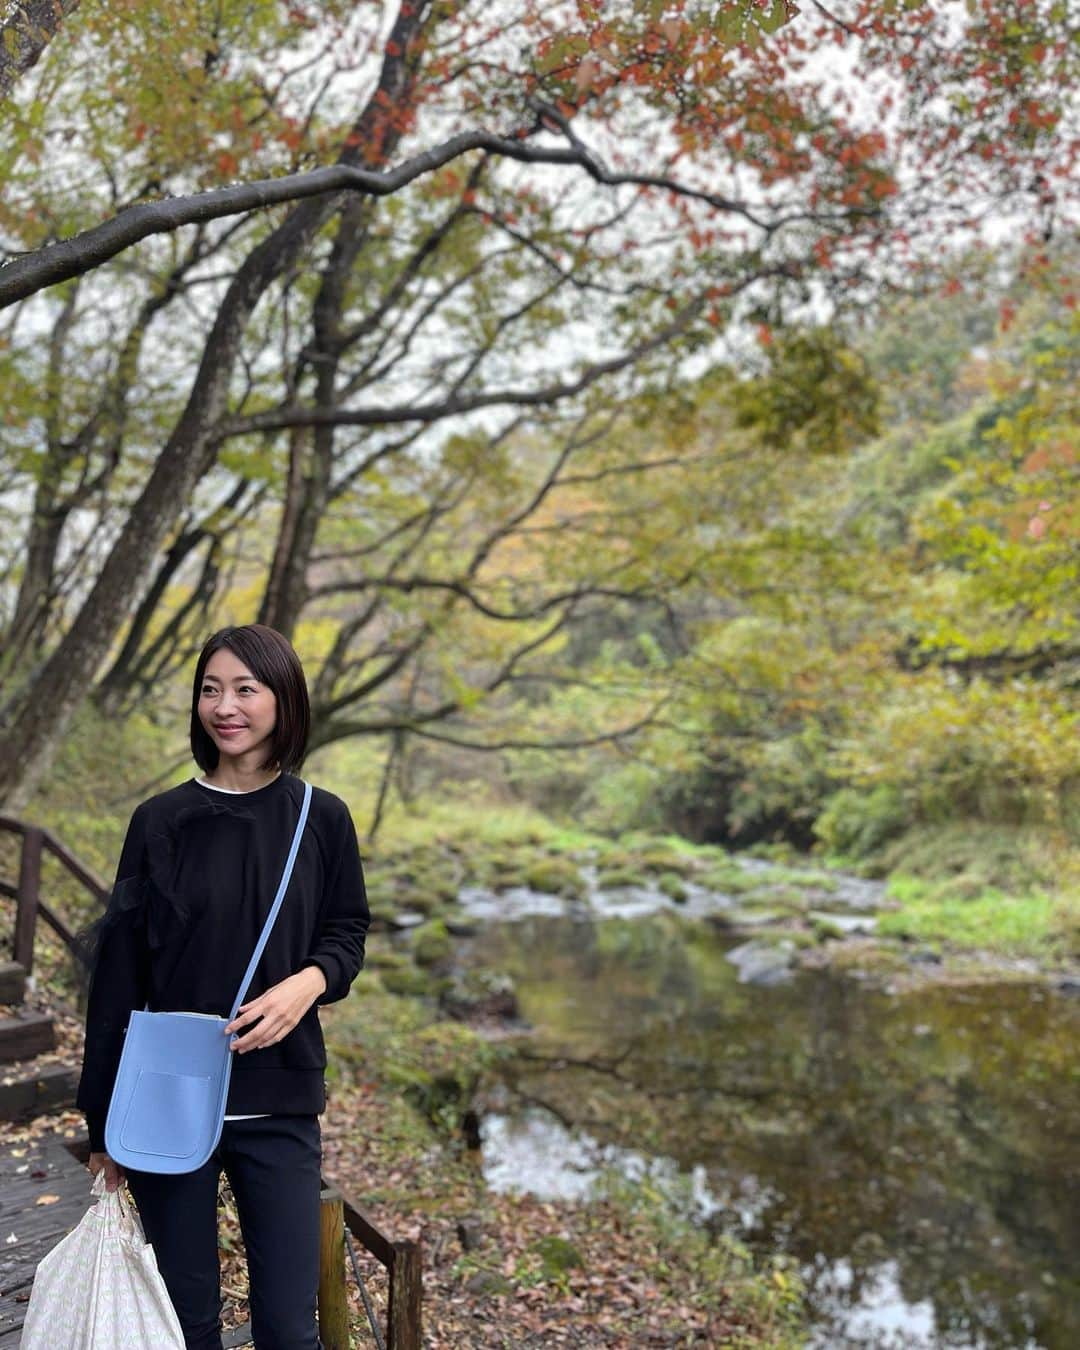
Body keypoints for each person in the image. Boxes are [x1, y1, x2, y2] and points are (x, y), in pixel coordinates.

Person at [76, 623, 370, 1350]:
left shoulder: (321, 818)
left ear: (284, 700)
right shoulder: (159, 822)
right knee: (185, 1323)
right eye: (211, 689)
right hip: (168, 1095)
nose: (225, 705)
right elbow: (118, 978)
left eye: (245, 688)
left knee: (287, 1327)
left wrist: (309, 982)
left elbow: (348, 933)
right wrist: (99, 1123)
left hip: (280, 1095)